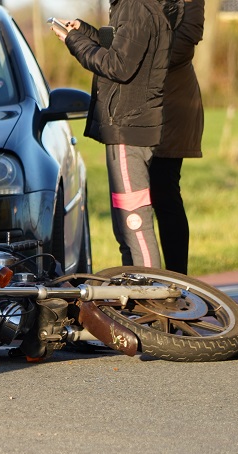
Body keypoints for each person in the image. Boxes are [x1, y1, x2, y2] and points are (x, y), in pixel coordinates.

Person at [52, 1, 174, 268]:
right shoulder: (134, 7)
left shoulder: (136, 7)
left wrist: (74, 42)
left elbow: (119, 65)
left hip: (128, 129)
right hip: (126, 128)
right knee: (125, 230)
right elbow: (122, 48)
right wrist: (84, 31)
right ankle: (138, 297)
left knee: (135, 224)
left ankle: (154, 299)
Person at [149, 0, 204, 275]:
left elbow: (183, 46)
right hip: (138, 108)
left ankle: (176, 280)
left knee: (164, 193)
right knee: (135, 199)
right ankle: (145, 277)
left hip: (170, 108)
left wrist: (137, 56)